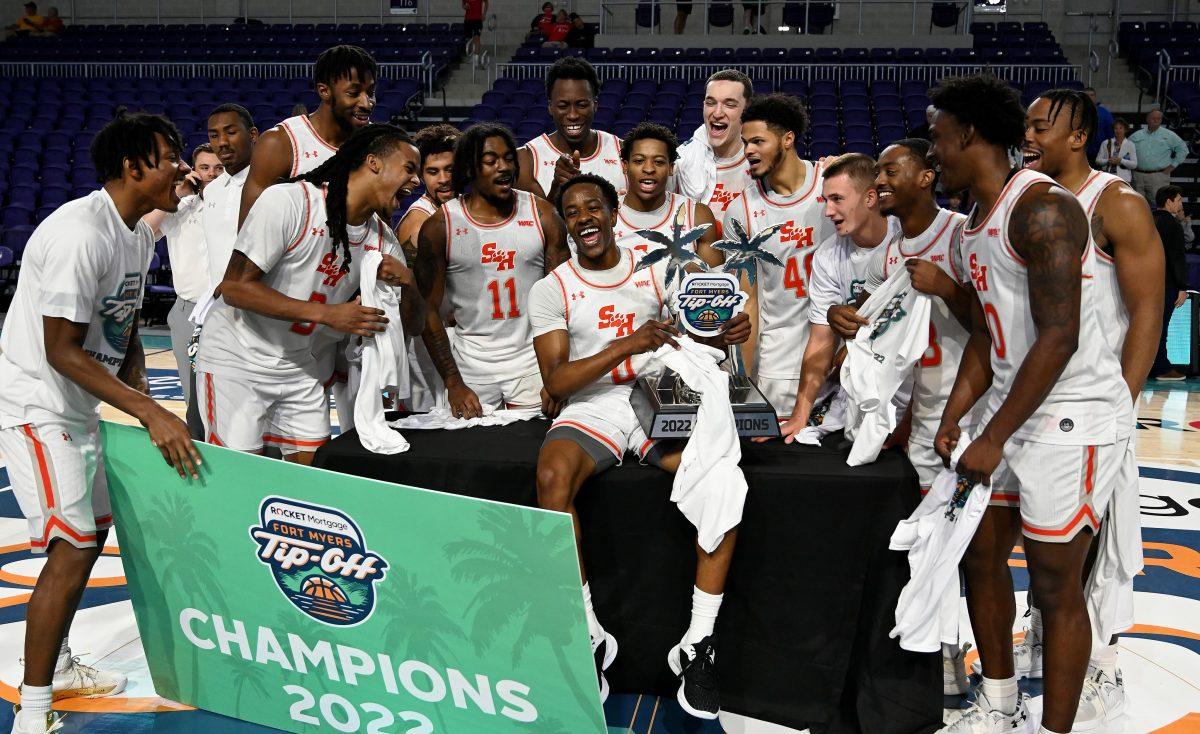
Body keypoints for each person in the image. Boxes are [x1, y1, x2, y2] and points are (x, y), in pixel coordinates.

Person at [929, 74, 1133, 734]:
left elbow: (1060, 335)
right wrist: (959, 415)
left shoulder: (1041, 208)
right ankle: (1000, 701)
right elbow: (990, 336)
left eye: (938, 138)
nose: (934, 152)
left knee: (1053, 582)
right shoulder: (969, 228)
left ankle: (1056, 730)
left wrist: (993, 434)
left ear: (968, 134)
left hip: (1071, 411)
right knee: (980, 554)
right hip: (1015, 408)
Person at [0, 112, 200, 734]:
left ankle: (56, 664)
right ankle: (33, 714)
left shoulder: (137, 233)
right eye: (170, 157)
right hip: (37, 402)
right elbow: (60, 347)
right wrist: (146, 408)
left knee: (92, 537)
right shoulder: (78, 234)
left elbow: (124, 316)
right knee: (73, 544)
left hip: (79, 402)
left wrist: (134, 365)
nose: (183, 170)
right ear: (132, 166)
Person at [530, 173, 751, 719]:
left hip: (660, 393)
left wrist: (724, 330)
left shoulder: (656, 267)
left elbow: (696, 329)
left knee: (724, 479)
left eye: (594, 207)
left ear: (613, 213)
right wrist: (627, 342)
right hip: (594, 402)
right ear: (566, 222)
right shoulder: (552, 287)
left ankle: (697, 644)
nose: (584, 218)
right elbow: (557, 382)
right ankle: (588, 635)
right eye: (573, 211)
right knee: (553, 480)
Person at [1018, 88, 1164, 730]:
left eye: (1041, 125)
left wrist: (1122, 407)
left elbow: (1146, 313)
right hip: (1031, 400)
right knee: (1044, 557)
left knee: (1087, 553)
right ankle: (1055, 662)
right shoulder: (1025, 199)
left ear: (1079, 136)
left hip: (1090, 405)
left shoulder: (1118, 204)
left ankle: (1098, 671)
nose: (1028, 134)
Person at [816, 139, 975, 695]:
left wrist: (948, 288)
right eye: (877, 171)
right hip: (921, 414)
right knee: (935, 539)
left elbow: (996, 319)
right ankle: (943, 653)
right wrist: (850, 322)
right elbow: (882, 328)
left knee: (975, 543)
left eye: (891, 169)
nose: (882, 179)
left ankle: (974, 654)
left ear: (928, 176)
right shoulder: (888, 251)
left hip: (973, 408)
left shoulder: (960, 233)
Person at [196, 125, 424, 464]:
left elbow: (415, 325)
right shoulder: (291, 201)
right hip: (238, 360)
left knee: (311, 481)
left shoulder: (383, 240)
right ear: (373, 162)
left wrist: (410, 282)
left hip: (302, 368)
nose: (416, 181)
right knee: (241, 476)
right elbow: (234, 288)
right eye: (409, 168)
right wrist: (330, 314)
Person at [415, 123, 570, 419]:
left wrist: (556, 372)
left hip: (533, 364)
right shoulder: (440, 226)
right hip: (470, 369)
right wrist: (453, 382)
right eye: (490, 161)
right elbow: (427, 310)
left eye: (509, 158)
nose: (504, 167)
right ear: (470, 169)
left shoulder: (543, 215)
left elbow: (565, 302)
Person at [722, 93, 834, 414]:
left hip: (837, 358)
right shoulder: (741, 210)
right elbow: (749, 300)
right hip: (779, 367)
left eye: (758, 141)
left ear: (788, 139)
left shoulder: (831, 185)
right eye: (745, 143)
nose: (748, 151)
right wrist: (741, 379)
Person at [776, 152, 899, 434]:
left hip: (916, 391)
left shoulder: (906, 238)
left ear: (869, 198)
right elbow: (820, 341)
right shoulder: (828, 255)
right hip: (863, 398)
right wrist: (799, 415)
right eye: (826, 200)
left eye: (837, 199)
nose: (828, 211)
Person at [239, 45, 377, 227]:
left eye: (371, 92)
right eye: (353, 93)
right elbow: (249, 233)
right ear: (324, 91)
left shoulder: (377, 143)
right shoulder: (280, 143)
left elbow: (382, 225)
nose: (367, 103)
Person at [142, 143, 225, 439]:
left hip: (229, 310)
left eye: (219, 168)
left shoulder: (240, 205)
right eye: (205, 168)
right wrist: (176, 194)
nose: (212, 174)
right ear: (193, 171)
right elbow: (143, 233)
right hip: (188, 309)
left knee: (232, 395)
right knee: (193, 398)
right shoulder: (178, 206)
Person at [395, 124, 459, 412]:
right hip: (429, 340)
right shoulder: (418, 223)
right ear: (421, 176)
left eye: (450, 169)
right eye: (433, 172)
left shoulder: (461, 210)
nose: (443, 179)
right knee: (430, 423)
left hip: (459, 337)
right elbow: (414, 301)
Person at [614, 122, 722, 267]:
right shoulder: (605, 214)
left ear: (671, 168)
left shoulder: (697, 215)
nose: (649, 169)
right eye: (639, 161)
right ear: (625, 166)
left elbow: (717, 283)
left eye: (658, 162)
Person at [517, 57, 625, 202]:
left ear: (595, 105)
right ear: (550, 107)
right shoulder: (526, 159)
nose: (573, 115)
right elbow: (533, 222)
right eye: (563, 106)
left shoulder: (623, 151)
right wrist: (557, 189)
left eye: (581, 105)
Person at [673, 70, 755, 224]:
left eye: (729, 104)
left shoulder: (762, 162)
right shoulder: (680, 161)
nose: (717, 113)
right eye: (711, 103)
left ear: (747, 109)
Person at [201, 104, 259, 292]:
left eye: (231, 132)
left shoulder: (274, 186)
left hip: (261, 304)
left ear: (252, 134)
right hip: (219, 305)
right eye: (214, 136)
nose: (222, 142)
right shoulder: (211, 191)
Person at [1151, 185, 1190, 381]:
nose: (1180, 205)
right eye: (1179, 201)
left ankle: (1148, 366)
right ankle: (1161, 368)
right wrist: (1182, 287)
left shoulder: (1149, 220)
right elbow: (1176, 258)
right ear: (1169, 202)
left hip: (1147, 284)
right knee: (1162, 327)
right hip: (1166, 284)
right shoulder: (1172, 225)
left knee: (1148, 326)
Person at [1129, 109, 1189, 205]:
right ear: (1147, 119)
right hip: (1137, 175)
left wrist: (1173, 165)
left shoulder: (1169, 135)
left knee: (1159, 204)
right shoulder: (1136, 135)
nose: (1156, 121)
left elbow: (1183, 150)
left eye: (1159, 118)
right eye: (1153, 118)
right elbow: (1126, 151)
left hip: (1159, 176)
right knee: (1137, 205)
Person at [1095, 117, 1137, 183]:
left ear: (1125, 129)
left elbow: (1134, 164)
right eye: (1115, 128)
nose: (1118, 131)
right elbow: (1098, 161)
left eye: (1120, 128)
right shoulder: (1106, 143)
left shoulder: (1130, 144)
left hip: (1124, 179)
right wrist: (1108, 161)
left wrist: (1121, 161)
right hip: (1108, 178)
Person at [1083, 87, 1114, 163]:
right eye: (1087, 95)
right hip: (1081, 153)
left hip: (1100, 153)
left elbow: (1111, 134)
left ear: (1095, 97)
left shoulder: (1105, 113)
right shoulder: (1077, 112)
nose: (1089, 97)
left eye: (1092, 95)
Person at [463, 0, 488, 67]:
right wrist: (465, 6)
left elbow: (486, 3)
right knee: (468, 39)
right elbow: (463, 4)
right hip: (468, 19)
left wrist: (484, 14)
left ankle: (476, 59)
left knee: (476, 38)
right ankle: (471, 56)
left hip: (477, 19)